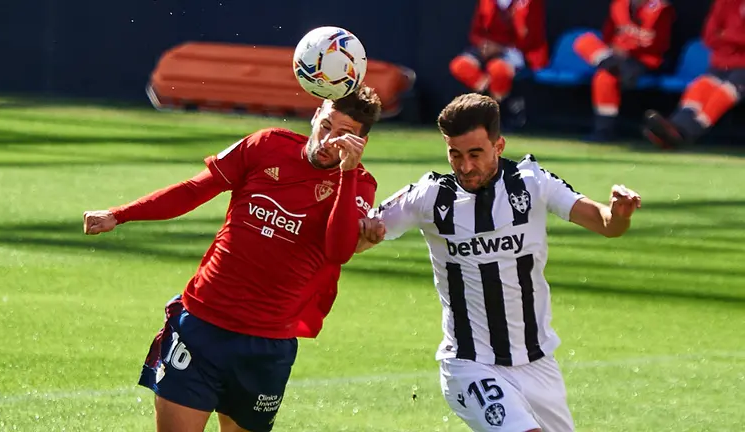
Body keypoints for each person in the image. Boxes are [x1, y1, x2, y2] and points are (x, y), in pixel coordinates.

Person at [82, 86, 382, 432]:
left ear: (361, 143)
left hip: (266, 345)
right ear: (315, 116)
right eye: (326, 125)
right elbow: (195, 189)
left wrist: (346, 172)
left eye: (344, 136)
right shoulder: (266, 145)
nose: (328, 140)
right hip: (200, 325)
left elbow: (338, 250)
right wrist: (120, 214)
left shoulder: (358, 185)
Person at [356, 93, 641, 431]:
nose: (465, 166)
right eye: (455, 154)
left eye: (475, 154)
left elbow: (606, 225)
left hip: (538, 365)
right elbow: (358, 240)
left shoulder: (533, 183)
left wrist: (620, 213)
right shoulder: (429, 195)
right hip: (470, 365)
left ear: (499, 145)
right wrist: (367, 230)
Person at [643, 0, 745, 149]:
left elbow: (721, 35)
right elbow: (709, 36)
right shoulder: (724, 2)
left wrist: (726, 34)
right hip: (722, 63)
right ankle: (673, 128)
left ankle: (684, 133)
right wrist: (735, 37)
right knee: (700, 87)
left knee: (723, 93)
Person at [573, 0, 675, 141]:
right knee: (584, 41)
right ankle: (620, 68)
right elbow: (608, 35)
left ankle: (603, 131)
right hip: (616, 57)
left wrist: (626, 44)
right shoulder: (619, 4)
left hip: (642, 60)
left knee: (604, 76)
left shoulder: (660, 8)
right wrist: (614, 49)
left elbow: (653, 42)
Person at [449, 0, 549, 129]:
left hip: (515, 48)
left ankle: (496, 113)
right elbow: (477, 30)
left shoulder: (530, 3)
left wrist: (500, 48)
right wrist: (483, 45)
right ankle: (487, 102)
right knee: (460, 66)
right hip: (487, 47)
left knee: (498, 70)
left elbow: (531, 35)